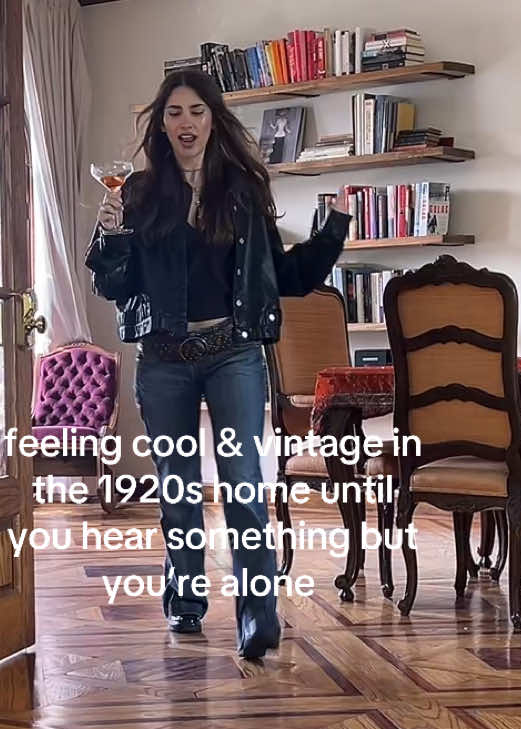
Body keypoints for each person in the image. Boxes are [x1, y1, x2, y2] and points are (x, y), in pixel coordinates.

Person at [85, 69, 351, 660]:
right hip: (163, 361)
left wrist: (332, 231)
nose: (186, 122)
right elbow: (114, 286)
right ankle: (185, 600)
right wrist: (112, 237)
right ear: (162, 124)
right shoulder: (138, 194)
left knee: (243, 485)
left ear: (213, 120)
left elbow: (283, 278)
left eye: (197, 111)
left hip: (234, 353)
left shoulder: (243, 190)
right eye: (175, 112)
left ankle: (258, 615)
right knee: (178, 488)